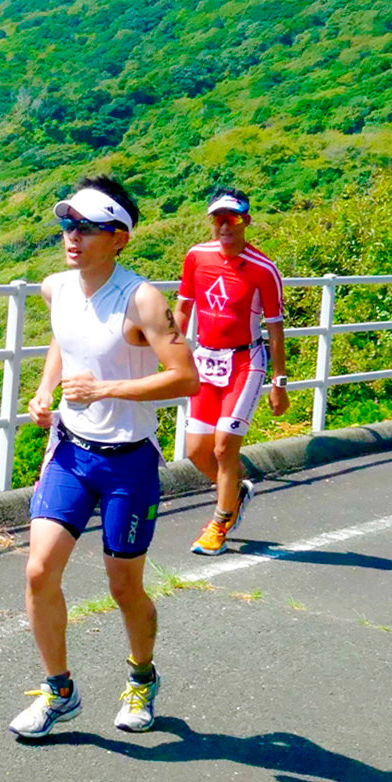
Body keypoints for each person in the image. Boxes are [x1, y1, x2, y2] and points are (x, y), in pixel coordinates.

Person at [11, 177, 197, 739]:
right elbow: (65, 345)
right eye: (68, 224)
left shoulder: (142, 299)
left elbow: (184, 378)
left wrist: (105, 389)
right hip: (71, 453)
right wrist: (48, 392)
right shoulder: (56, 288)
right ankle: (58, 690)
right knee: (39, 570)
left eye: (88, 227)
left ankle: (141, 677)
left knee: (123, 585)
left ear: (119, 238)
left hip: (129, 463)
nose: (73, 236)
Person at [174, 189, 290, 556]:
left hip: (245, 362)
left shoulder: (263, 269)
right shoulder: (196, 257)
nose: (225, 225)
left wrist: (280, 383)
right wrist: (170, 355)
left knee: (225, 448)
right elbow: (183, 310)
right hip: (206, 361)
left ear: (246, 221)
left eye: (233, 218)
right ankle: (236, 490)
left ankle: (220, 522)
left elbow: (274, 328)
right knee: (196, 450)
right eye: (218, 218)